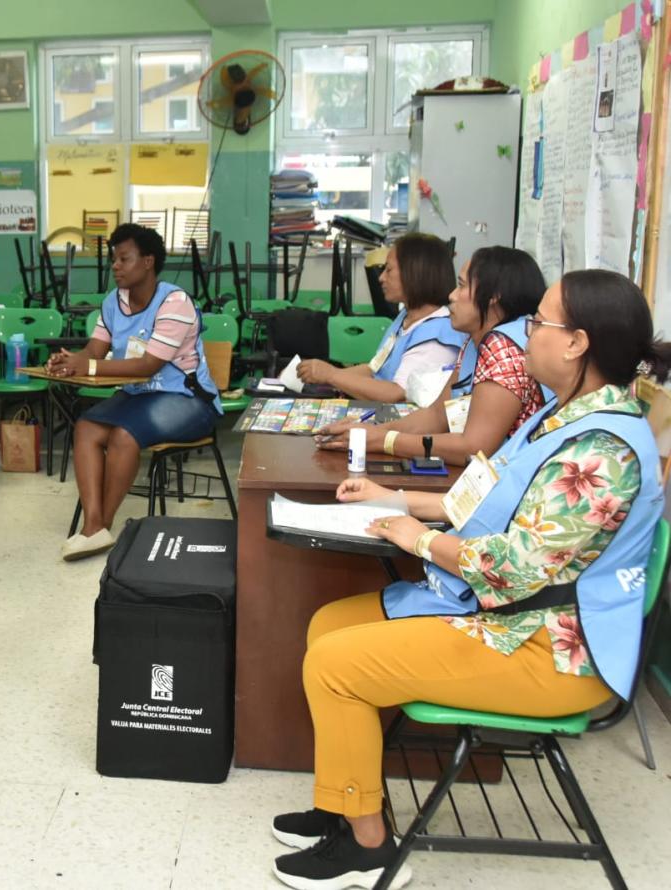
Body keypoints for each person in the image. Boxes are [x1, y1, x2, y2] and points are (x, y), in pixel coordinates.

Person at [269, 269, 670, 890]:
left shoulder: (601, 450)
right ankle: (345, 802)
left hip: (551, 650)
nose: (527, 332)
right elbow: (478, 497)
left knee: (335, 665)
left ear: (577, 343)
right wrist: (392, 497)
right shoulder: (561, 419)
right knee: (330, 624)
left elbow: (516, 568)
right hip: (514, 618)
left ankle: (367, 848)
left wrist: (418, 539)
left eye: (542, 321)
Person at [45, 223, 223, 561]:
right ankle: (93, 527)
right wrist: (71, 361)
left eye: (124, 259)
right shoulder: (113, 301)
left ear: (148, 262)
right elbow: (95, 350)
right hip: (139, 398)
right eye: (114, 259)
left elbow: (147, 366)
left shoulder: (175, 302)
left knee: (124, 437)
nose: (115, 266)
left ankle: (101, 525)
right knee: (86, 427)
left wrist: (90, 367)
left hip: (188, 400)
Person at [314, 246, 548, 465]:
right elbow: (437, 415)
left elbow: (474, 448)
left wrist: (381, 441)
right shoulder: (476, 339)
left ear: (493, 296)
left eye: (462, 286)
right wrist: (368, 431)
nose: (452, 296)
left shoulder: (503, 349)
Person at [298, 233, 466, 403]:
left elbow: (397, 394)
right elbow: (374, 369)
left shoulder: (437, 334)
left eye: (389, 270)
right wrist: (320, 375)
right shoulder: (406, 317)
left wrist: (332, 375)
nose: (381, 277)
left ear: (414, 273)